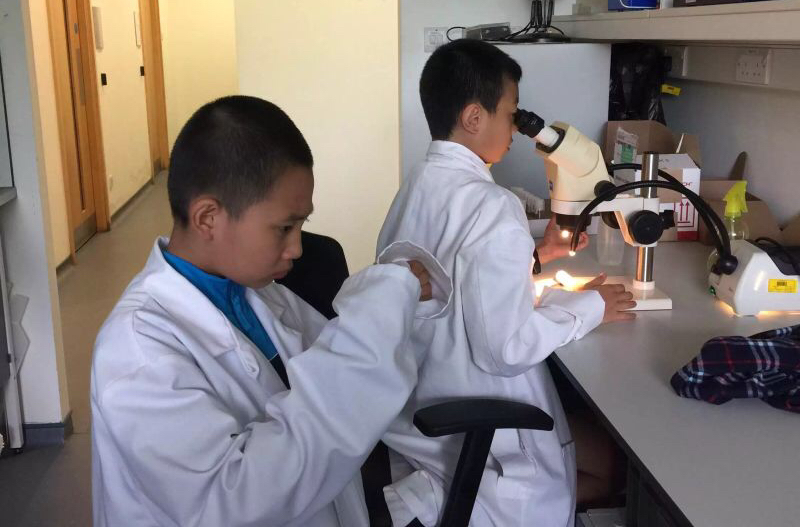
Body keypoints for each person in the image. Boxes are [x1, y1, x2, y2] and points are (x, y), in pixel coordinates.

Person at [91, 95, 451, 527]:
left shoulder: (257, 294)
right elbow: (234, 502)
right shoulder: (136, 354)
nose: (297, 248)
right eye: (284, 227)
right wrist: (376, 318)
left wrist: (392, 308)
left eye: (302, 225)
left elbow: (334, 372)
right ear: (207, 218)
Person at [377, 39, 635, 527]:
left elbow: (453, 274)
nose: (517, 129)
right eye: (512, 114)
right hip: (484, 426)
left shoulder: (416, 185)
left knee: (596, 453)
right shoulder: (492, 205)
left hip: (424, 406)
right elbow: (507, 349)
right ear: (474, 117)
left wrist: (537, 255)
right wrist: (592, 307)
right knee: (614, 467)